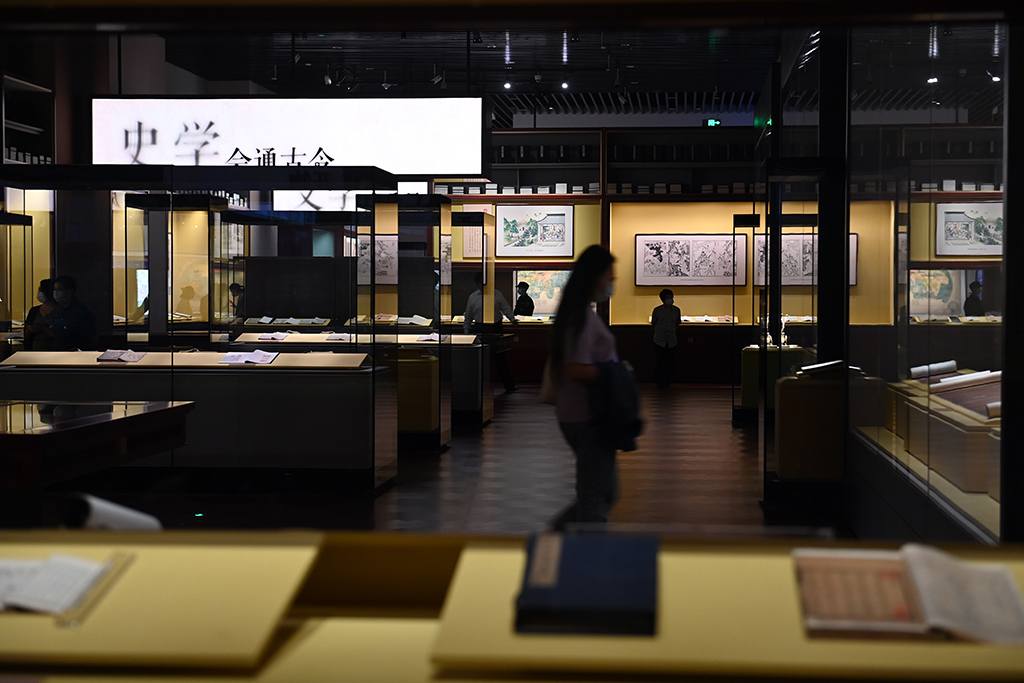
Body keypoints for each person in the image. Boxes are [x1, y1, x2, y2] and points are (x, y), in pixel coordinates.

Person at [550, 244, 619, 525]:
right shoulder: (581, 318)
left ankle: (557, 538)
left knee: (604, 491)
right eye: (610, 278)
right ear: (596, 277)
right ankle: (586, 556)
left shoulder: (580, 314)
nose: (611, 284)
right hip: (586, 416)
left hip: (585, 414)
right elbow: (574, 369)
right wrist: (614, 373)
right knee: (596, 497)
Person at [464, 272, 518, 392]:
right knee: (478, 359)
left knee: (501, 358)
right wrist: (466, 330)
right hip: (479, 327)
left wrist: (513, 319)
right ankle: (476, 386)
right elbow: (468, 314)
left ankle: (509, 385)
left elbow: (505, 308)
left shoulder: (497, 294)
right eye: (479, 283)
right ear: (477, 284)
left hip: (495, 326)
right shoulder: (473, 297)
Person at [51, 275, 97, 351]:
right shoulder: (58, 309)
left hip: (76, 355)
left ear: (70, 292)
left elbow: (92, 337)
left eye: (59, 290)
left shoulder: (81, 311)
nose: (56, 293)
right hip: (58, 354)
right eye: (54, 289)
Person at [651, 288, 681, 389]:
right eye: (668, 298)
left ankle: (667, 382)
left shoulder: (676, 310)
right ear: (663, 299)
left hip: (672, 340)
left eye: (671, 298)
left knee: (670, 363)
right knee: (660, 362)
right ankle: (660, 382)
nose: (671, 300)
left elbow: (677, 323)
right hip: (659, 340)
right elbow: (654, 323)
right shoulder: (657, 310)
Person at [24, 279, 59, 351]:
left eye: (40, 289)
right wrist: (29, 330)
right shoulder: (34, 311)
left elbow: (62, 336)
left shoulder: (60, 311)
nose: (38, 292)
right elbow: (27, 337)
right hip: (34, 351)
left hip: (55, 351)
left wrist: (43, 328)